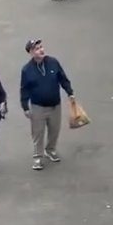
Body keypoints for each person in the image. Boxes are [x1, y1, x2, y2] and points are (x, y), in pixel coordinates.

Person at [20, 39, 75, 170]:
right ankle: (38, 157)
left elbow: (63, 78)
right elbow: (24, 89)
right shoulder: (27, 70)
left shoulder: (53, 62)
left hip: (55, 105)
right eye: (37, 48)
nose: (41, 50)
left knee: (54, 130)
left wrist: (70, 92)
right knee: (38, 133)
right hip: (38, 107)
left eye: (41, 47)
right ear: (31, 52)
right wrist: (25, 107)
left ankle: (50, 150)